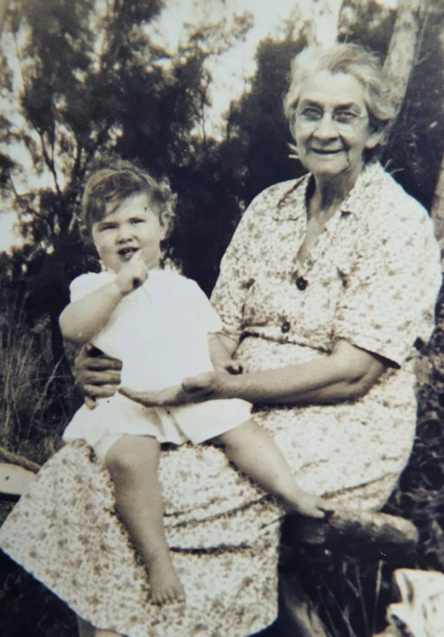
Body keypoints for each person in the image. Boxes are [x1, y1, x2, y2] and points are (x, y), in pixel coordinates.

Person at [0, 42, 442, 637]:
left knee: (172, 491)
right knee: (91, 465)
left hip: (342, 421)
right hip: (227, 394)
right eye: (311, 111)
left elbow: (354, 371)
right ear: (291, 121)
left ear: (376, 127)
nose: (327, 128)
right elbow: (214, 327)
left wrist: (223, 394)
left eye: (347, 114)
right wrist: (120, 370)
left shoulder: (397, 224)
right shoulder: (269, 208)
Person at [60, 162, 328, 605]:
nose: (124, 234)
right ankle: (158, 559)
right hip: (128, 401)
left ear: (162, 226)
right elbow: (73, 326)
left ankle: (292, 492)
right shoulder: (92, 285)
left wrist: (224, 365)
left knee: (241, 428)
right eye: (108, 226)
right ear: (93, 238)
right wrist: (118, 288)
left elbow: (210, 336)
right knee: (131, 459)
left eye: (136, 221)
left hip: (188, 393)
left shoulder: (184, 288)